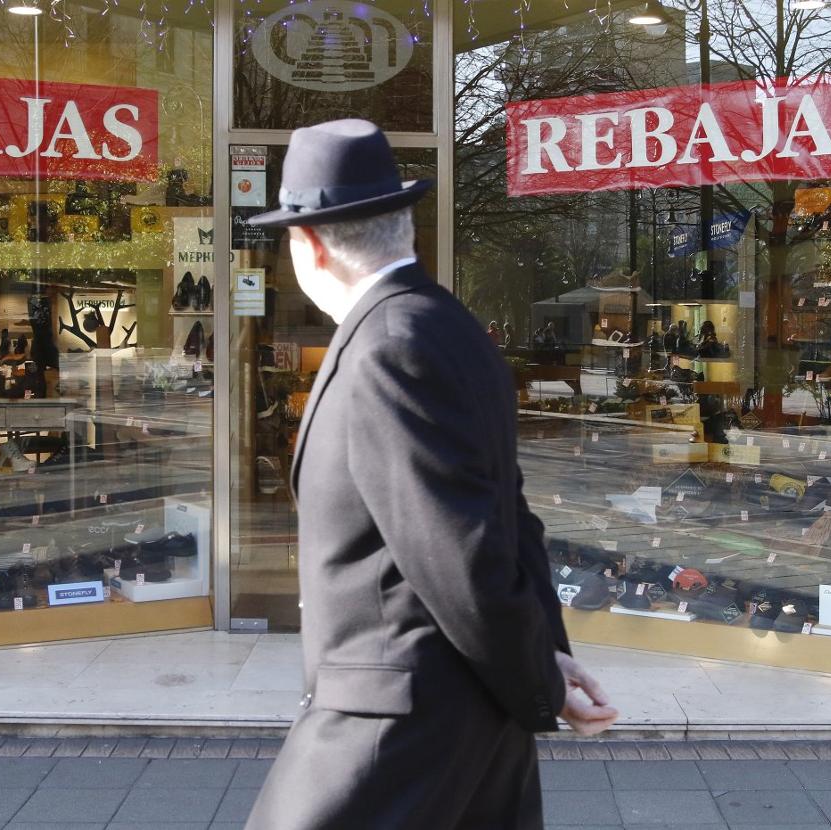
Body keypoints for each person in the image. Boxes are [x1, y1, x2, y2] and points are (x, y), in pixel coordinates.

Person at [245, 119, 617, 830]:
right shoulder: (445, 325)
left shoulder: (389, 345)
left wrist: (542, 675)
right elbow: (508, 515)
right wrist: (545, 660)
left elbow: (463, 554)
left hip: (399, 727)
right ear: (401, 226)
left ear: (309, 244)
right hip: (457, 716)